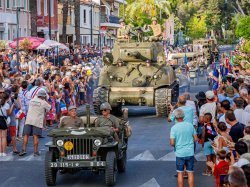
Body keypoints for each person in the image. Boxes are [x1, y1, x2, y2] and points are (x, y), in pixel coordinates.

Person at [170, 109, 197, 187]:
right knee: (190, 172)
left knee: (180, 173)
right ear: (183, 116)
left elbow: (172, 143)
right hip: (190, 152)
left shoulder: (174, 128)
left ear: (175, 117)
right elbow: (195, 139)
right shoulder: (190, 125)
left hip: (180, 153)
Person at [19, 89, 51, 156]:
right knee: (35, 136)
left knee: (26, 135)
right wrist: (46, 100)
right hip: (37, 121)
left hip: (29, 120)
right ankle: (35, 152)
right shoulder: (43, 102)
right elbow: (49, 108)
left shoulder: (32, 100)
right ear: (43, 96)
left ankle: (23, 150)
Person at [0, 92, 15, 156]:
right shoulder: (7, 105)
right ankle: (4, 152)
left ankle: (0, 152)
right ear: (8, 98)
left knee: (0, 137)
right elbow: (9, 113)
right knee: (4, 137)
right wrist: (12, 106)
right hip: (3, 120)